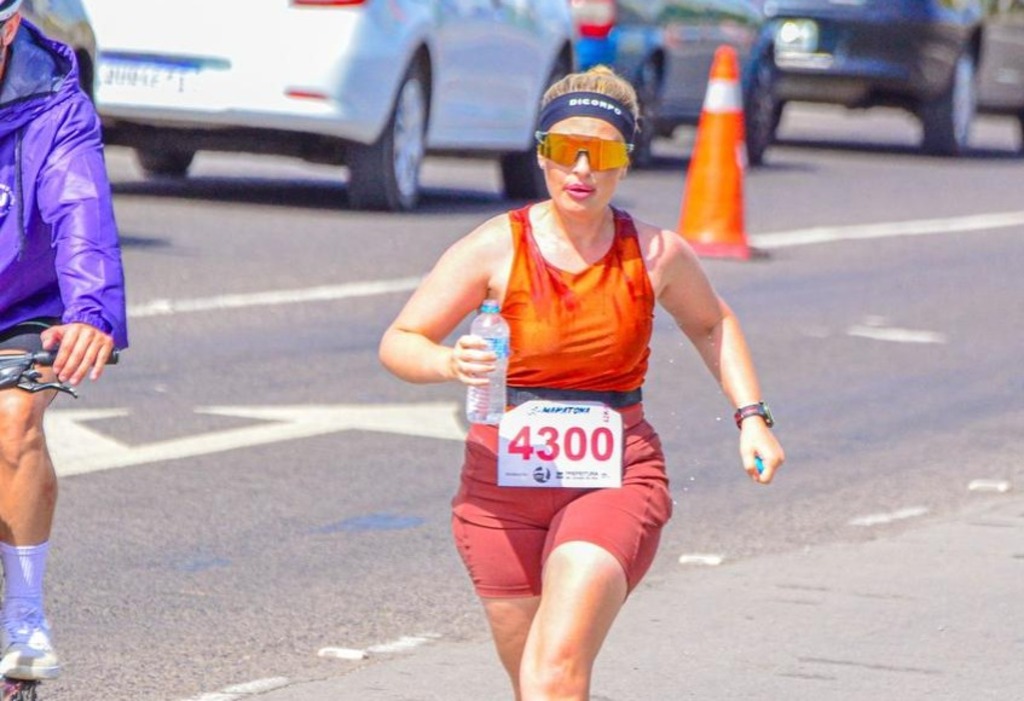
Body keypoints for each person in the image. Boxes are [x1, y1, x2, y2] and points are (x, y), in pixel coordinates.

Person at [379, 65, 784, 700]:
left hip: (615, 475)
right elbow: (400, 342)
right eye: (567, 151)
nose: (583, 170)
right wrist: (449, 363)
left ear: (626, 161)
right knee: (534, 681)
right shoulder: (497, 246)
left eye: (604, 153)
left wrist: (751, 416)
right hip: (500, 490)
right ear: (542, 153)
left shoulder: (656, 254)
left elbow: (712, 325)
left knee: (555, 670)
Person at [0, 0, 127, 682]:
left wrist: (91, 310)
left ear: (10, 28)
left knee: (14, 418)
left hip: (23, 298)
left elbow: (81, 206)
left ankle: (23, 613)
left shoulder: (53, 102)